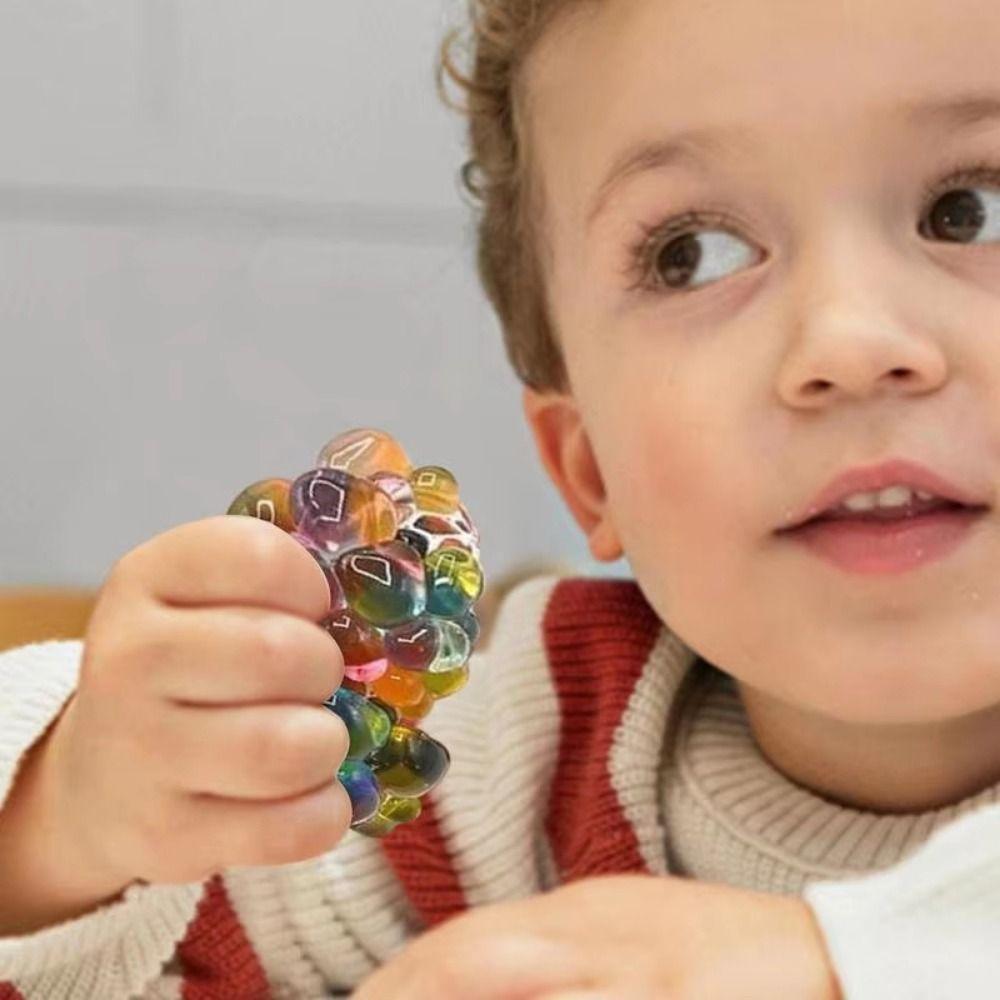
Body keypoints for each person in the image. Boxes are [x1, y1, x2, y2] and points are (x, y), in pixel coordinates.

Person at [3, 0, 1000, 995]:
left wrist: (849, 964)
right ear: (590, 471)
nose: (849, 342)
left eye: (970, 209)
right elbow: (145, 952)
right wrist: (66, 824)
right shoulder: (522, 757)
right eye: (691, 254)